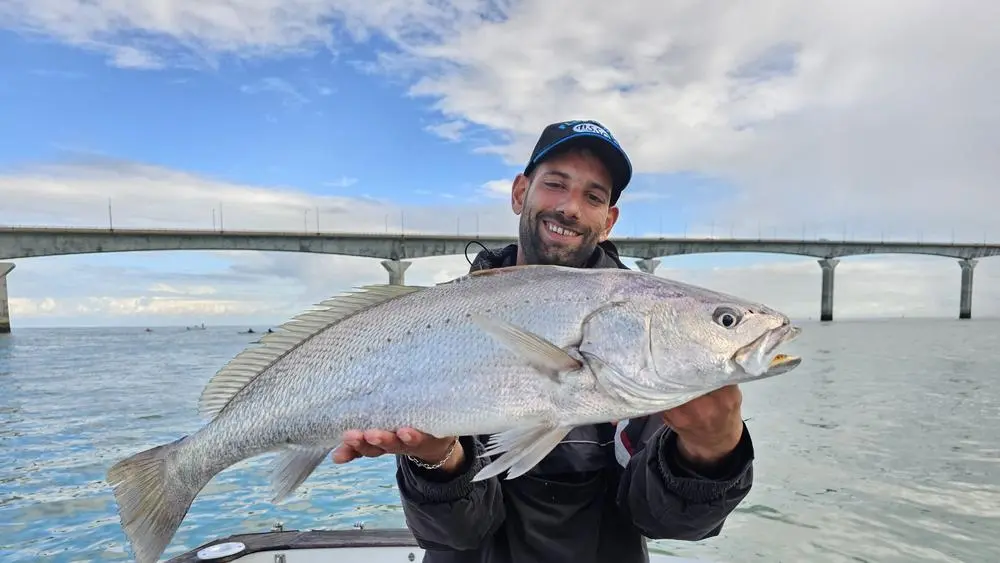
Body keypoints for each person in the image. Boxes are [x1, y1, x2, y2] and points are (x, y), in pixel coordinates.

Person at [332, 119, 755, 563]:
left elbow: (665, 523)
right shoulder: (443, 321)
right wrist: (437, 458)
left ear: (608, 221)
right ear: (520, 193)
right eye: (555, 184)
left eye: (593, 197)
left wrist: (711, 455)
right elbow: (458, 534)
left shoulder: (642, 328)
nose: (570, 207)